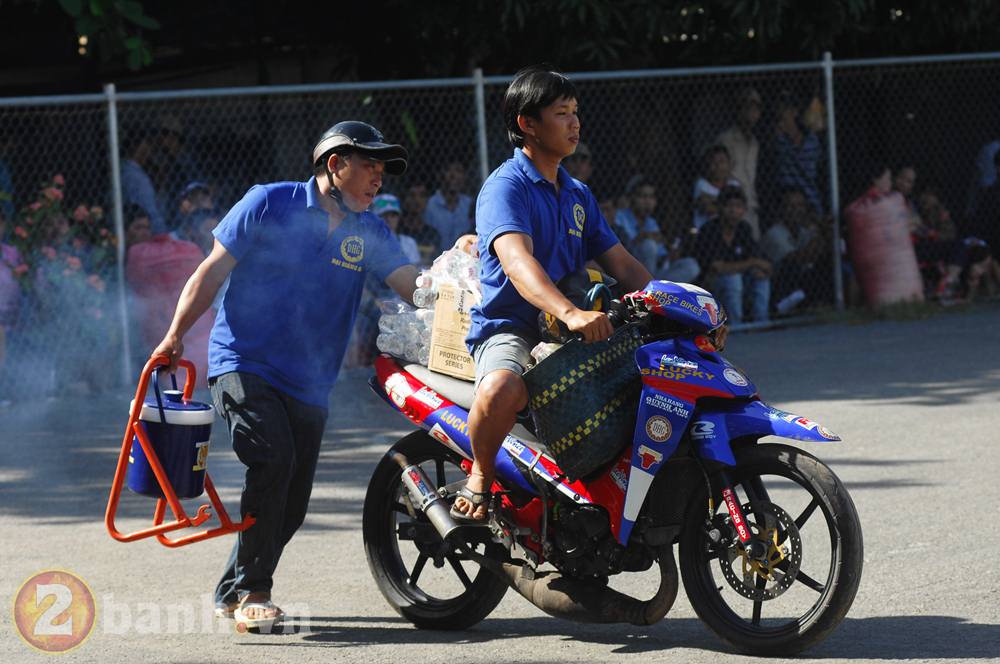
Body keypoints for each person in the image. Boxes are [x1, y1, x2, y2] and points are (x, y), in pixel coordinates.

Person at [151, 120, 418, 630]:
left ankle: (232, 588)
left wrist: (458, 283)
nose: (378, 179)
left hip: (311, 381)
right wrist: (175, 334)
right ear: (335, 164)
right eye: (368, 166)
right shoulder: (268, 203)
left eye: (382, 171)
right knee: (274, 460)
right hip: (243, 362)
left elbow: (412, 285)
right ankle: (255, 591)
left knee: (292, 503)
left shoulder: (370, 230)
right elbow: (211, 270)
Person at [453, 66, 653, 522]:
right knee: (504, 386)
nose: (574, 123)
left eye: (575, 112)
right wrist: (570, 311)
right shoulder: (506, 188)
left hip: (568, 328)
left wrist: (675, 302)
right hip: (514, 327)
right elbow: (518, 263)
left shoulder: (578, 193)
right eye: (562, 113)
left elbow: (621, 263)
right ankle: (480, 475)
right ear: (528, 124)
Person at [694, 185, 771, 324]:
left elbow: (764, 264)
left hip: (741, 283)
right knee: (733, 279)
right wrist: (752, 263)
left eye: (738, 206)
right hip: (711, 288)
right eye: (728, 206)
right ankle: (737, 326)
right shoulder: (709, 230)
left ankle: (762, 324)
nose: (733, 211)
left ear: (744, 210)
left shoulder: (744, 229)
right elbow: (717, 268)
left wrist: (757, 267)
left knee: (760, 278)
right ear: (719, 208)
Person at [761, 187, 830, 314]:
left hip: (804, 283)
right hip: (780, 284)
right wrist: (819, 231)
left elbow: (817, 254)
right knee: (793, 266)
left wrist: (825, 234)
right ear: (781, 210)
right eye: (790, 206)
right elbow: (800, 258)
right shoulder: (774, 233)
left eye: (800, 206)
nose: (796, 210)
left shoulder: (803, 231)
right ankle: (782, 309)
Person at [715, 87, 763, 238]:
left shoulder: (755, 142)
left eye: (755, 108)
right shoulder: (726, 139)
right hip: (732, 204)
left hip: (750, 203)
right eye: (747, 107)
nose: (751, 113)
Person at [768, 91, 823, 216]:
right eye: (779, 109)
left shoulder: (811, 140)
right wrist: (776, 138)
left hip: (810, 198)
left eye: (785, 109)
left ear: (794, 112)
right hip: (787, 201)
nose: (781, 113)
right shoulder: (776, 141)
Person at [121, 125, 168, 234]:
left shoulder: (126, 171)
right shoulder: (135, 177)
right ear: (140, 146)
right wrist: (163, 234)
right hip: (145, 232)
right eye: (148, 144)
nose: (150, 151)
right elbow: (150, 211)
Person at [692, 144, 742, 232]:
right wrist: (729, 204)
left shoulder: (734, 183)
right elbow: (708, 208)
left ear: (730, 164)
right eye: (713, 162)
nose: (718, 166)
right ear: (707, 165)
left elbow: (740, 207)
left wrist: (715, 201)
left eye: (722, 162)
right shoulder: (701, 184)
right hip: (707, 232)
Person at [424, 160, 474, 248]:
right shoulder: (429, 204)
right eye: (448, 170)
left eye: (458, 171)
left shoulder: (469, 204)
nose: (453, 175)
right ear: (439, 175)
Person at [399, 182, 442, 264]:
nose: (417, 200)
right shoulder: (398, 232)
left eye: (422, 195)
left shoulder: (433, 234)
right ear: (404, 199)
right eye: (412, 195)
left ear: (427, 200)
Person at [372, 193, 420, 265]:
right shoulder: (364, 243)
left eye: (393, 215)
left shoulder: (409, 243)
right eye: (384, 215)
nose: (389, 219)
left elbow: (415, 271)